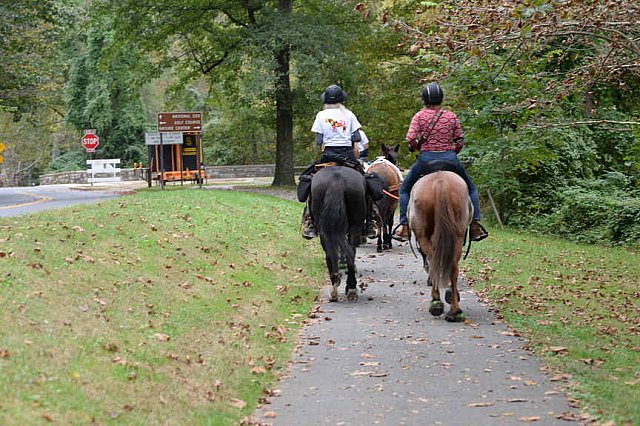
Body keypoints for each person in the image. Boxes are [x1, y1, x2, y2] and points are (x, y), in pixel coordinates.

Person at [393, 82, 488, 242]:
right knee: (471, 189)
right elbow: (459, 140)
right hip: (450, 158)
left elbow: (410, 138)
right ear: (441, 98)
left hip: (426, 159)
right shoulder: (451, 116)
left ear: (424, 99)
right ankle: (475, 225)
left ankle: (404, 226)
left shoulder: (419, 116)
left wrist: (416, 146)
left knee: (404, 190)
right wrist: (452, 153)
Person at [300, 84, 376, 239]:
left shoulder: (321, 115)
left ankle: (311, 222)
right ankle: (370, 222)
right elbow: (356, 138)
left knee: (309, 182)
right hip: (348, 155)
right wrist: (355, 157)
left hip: (328, 155)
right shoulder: (349, 114)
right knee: (367, 183)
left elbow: (319, 140)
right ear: (342, 100)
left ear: (325, 100)